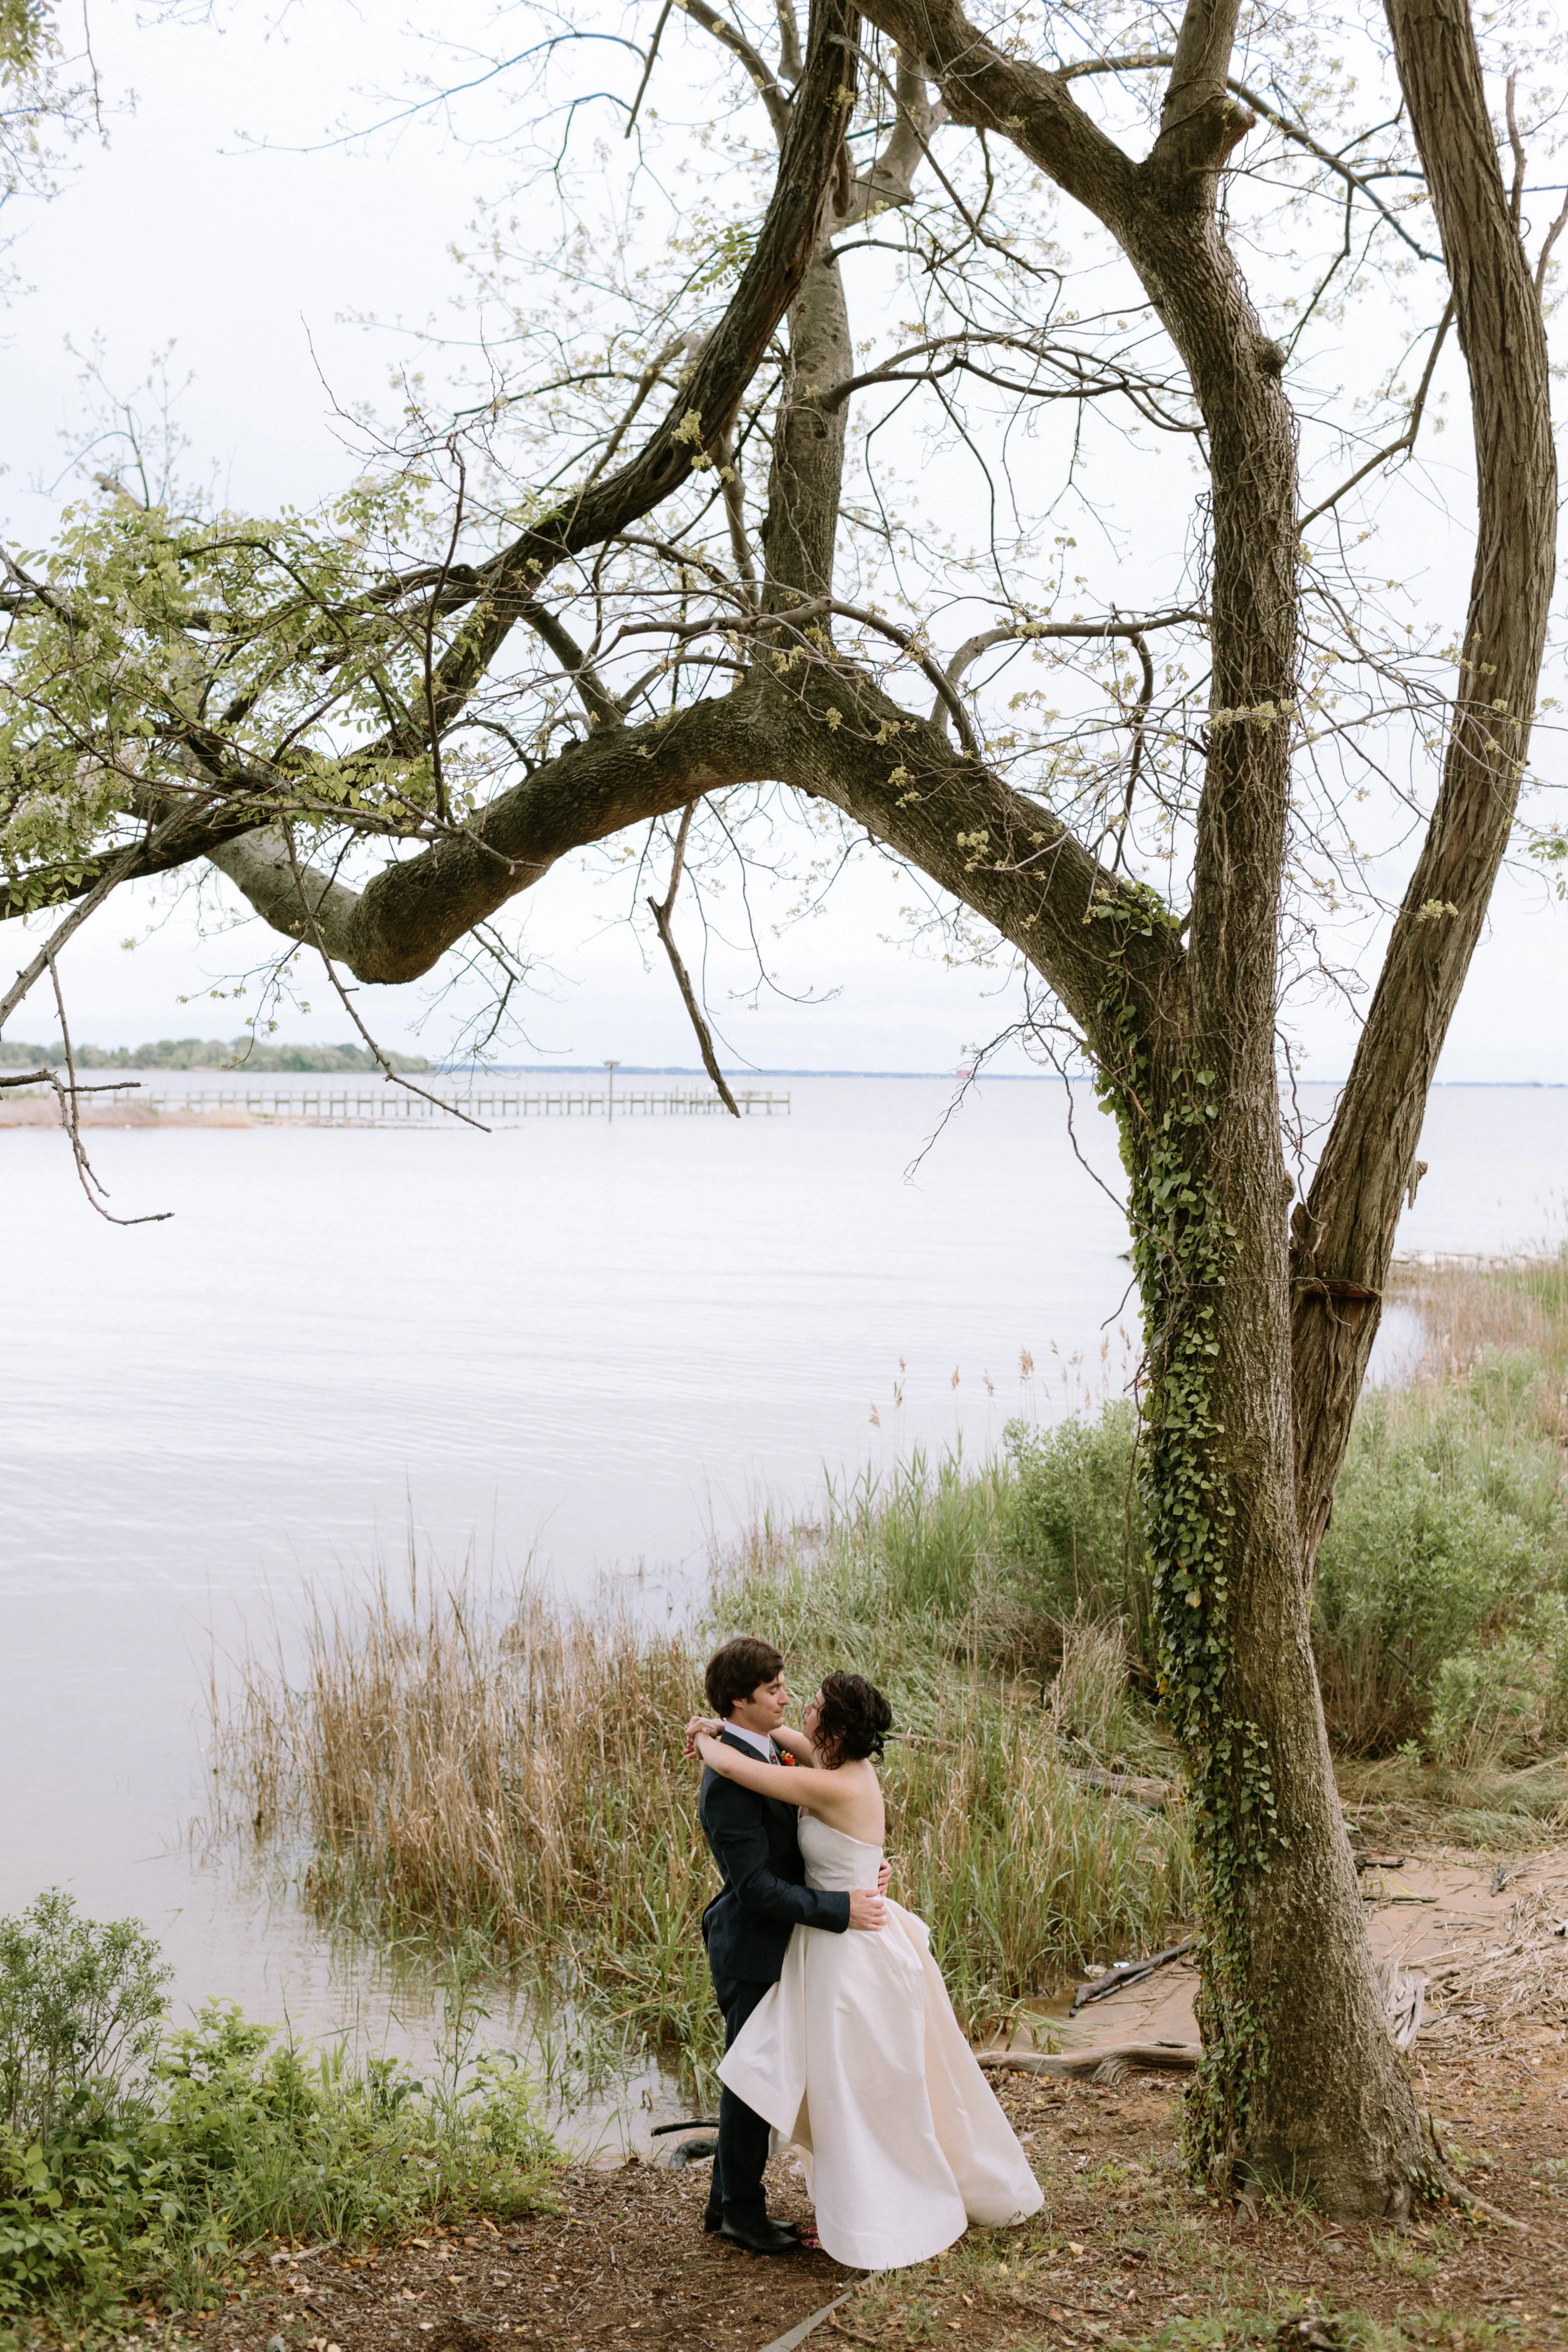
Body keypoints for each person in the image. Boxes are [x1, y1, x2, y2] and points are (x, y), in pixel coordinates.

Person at [691, 1667, 1044, 2271]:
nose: (796, 1705)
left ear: (833, 1726)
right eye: (779, 1691)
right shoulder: (832, 1766)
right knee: (765, 2070)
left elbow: (737, 1768)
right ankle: (734, 2206)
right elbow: (772, 1763)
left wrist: (704, 1740)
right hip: (826, 1939)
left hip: (848, 1948)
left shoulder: (834, 1784)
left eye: (811, 1704)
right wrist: (722, 1726)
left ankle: (842, 2199)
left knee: (850, 2084)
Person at [694, 1636, 891, 2256]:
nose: (785, 1696)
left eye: (787, 1687)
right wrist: (841, 1905)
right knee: (752, 2080)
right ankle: (740, 2215)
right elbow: (752, 1886)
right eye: (773, 1689)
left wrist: (860, 1873)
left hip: (795, 1944)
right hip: (752, 1943)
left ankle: (725, 2204)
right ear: (738, 1701)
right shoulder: (728, 1776)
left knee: (757, 2073)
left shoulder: (772, 1750)